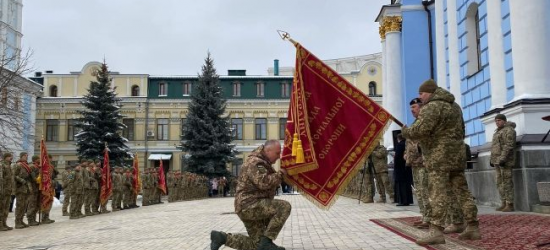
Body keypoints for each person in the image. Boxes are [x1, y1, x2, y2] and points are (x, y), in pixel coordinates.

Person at [402, 79, 481, 245]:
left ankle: (436, 231)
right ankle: (473, 227)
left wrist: (406, 131)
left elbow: (421, 130)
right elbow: (462, 130)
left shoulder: (432, 107)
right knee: (462, 191)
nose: (420, 97)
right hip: (456, 155)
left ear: (430, 92)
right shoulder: (455, 106)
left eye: (421, 93)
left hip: (439, 157)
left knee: (437, 192)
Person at [210, 140, 291, 250]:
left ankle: (222, 238)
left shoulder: (261, 162)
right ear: (268, 150)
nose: (279, 157)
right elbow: (264, 182)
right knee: (284, 207)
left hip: (247, 206)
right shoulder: (255, 162)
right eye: (277, 153)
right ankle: (267, 242)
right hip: (250, 205)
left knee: (257, 246)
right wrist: (281, 174)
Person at [404, 98, 430, 228]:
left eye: (414, 107)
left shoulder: (424, 123)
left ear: (421, 107)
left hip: (422, 163)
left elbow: (425, 143)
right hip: (414, 163)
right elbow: (410, 142)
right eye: (410, 108)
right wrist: (406, 153)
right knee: (419, 191)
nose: (411, 110)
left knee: (425, 191)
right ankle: (424, 215)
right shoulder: (415, 124)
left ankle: (429, 218)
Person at [490, 113, 516, 212]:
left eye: (499, 120)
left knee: (507, 182)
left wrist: (502, 159)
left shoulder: (509, 130)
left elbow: (508, 146)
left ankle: (510, 204)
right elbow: (495, 146)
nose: (497, 122)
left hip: (505, 162)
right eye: (496, 121)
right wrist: (492, 160)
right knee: (499, 182)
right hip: (497, 161)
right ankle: (503, 202)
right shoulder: (497, 132)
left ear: (504, 121)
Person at [393, 134, 414, 206]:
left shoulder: (399, 145)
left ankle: (403, 201)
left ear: (398, 139)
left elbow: (398, 157)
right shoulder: (407, 144)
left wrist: (395, 167)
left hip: (400, 169)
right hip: (407, 168)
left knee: (401, 186)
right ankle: (408, 200)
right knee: (407, 185)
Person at [13, 152, 32, 228]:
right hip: (20, 188)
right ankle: (17, 222)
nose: (26, 157)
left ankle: (21, 221)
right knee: (19, 206)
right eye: (25, 156)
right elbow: (14, 175)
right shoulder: (18, 165)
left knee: (24, 206)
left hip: (26, 188)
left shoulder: (26, 165)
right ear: (21, 156)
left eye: (27, 156)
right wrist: (21, 180)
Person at [0, 153, 14, 231]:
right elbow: (1, 179)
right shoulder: (2, 165)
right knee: (1, 208)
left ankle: (4, 223)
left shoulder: (9, 166)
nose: (11, 158)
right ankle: (0, 224)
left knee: (6, 208)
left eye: (11, 156)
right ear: (5, 157)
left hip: (8, 190)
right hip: (3, 190)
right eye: (9, 157)